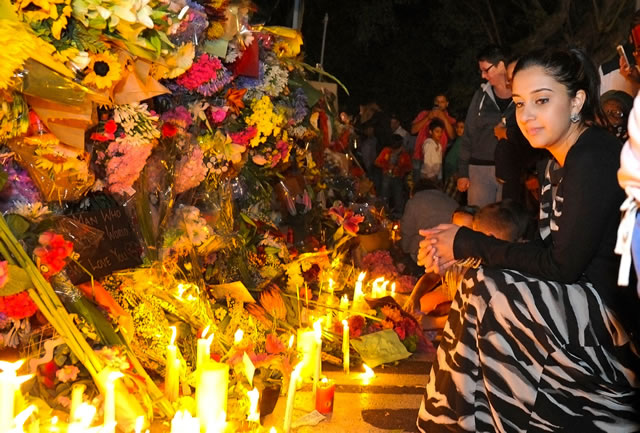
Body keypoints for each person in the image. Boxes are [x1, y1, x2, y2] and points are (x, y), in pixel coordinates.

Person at [416, 48, 640, 432]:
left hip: (611, 319)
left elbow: (563, 267)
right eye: (520, 104)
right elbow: (545, 249)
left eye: (542, 100)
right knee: (478, 280)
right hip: (580, 297)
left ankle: (497, 419)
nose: (527, 115)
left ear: (577, 100)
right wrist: (465, 252)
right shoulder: (559, 159)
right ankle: (456, 421)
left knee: (494, 291)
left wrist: (469, 243)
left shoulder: (594, 155)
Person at [457, 45, 514, 207]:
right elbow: (468, 134)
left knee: (504, 223)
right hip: (480, 170)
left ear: (501, 66)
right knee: (480, 220)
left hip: (510, 170)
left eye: (486, 70)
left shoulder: (521, 96)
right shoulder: (481, 97)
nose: (483, 76)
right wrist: (463, 172)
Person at [400, 178, 459, 263]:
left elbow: (407, 231)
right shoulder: (451, 200)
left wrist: (405, 249)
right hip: (453, 250)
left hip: (430, 250)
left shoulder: (414, 202)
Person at [411, 94, 456, 180]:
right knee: (418, 187)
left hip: (436, 160)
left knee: (433, 188)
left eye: (442, 102)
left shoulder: (450, 119)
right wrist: (427, 118)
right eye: (437, 101)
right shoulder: (424, 114)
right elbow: (413, 130)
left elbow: (453, 136)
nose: (439, 104)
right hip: (419, 157)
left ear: (447, 104)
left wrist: (443, 118)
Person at [375, 133, 412, 219]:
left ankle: (398, 214)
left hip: (398, 178)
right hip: (386, 176)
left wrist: (400, 169)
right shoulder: (386, 151)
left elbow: (409, 167)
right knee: (384, 195)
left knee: (398, 196)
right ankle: (383, 213)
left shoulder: (403, 154)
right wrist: (387, 166)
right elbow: (377, 162)